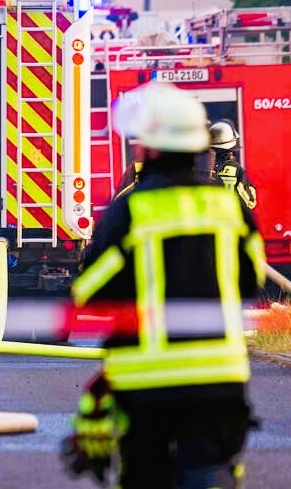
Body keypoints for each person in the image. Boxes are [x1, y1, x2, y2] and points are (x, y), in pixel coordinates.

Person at [67, 83, 265, 488]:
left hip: (145, 385)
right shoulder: (229, 207)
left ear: (147, 149)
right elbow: (252, 280)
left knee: (144, 476)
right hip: (219, 380)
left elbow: (91, 290)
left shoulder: (130, 209)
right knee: (210, 469)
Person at [210, 120, 257, 210]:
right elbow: (250, 202)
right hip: (228, 220)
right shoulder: (236, 170)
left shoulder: (198, 168)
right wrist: (250, 188)